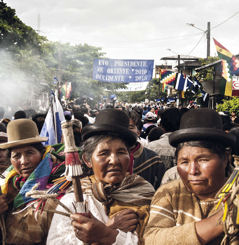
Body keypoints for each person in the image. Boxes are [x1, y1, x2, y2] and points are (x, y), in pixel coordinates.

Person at [47, 108, 155, 245]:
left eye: (121, 152)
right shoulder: (74, 201)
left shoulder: (144, 193)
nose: (114, 160)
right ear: (87, 160)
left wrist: (107, 234)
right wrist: (109, 230)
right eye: (104, 153)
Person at [144, 108, 236, 245]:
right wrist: (223, 220)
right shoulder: (169, 193)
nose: (192, 171)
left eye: (203, 160)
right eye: (184, 162)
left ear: (226, 158)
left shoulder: (236, 193)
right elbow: (152, 239)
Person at [0, 119, 67, 244]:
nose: (24, 161)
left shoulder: (62, 181)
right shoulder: (7, 184)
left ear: (42, 154)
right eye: (16, 156)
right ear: (10, 159)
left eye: (29, 153)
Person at [126, 110, 165, 189]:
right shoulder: (111, 159)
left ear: (138, 132)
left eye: (131, 127)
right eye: (122, 127)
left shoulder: (153, 159)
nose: (126, 131)